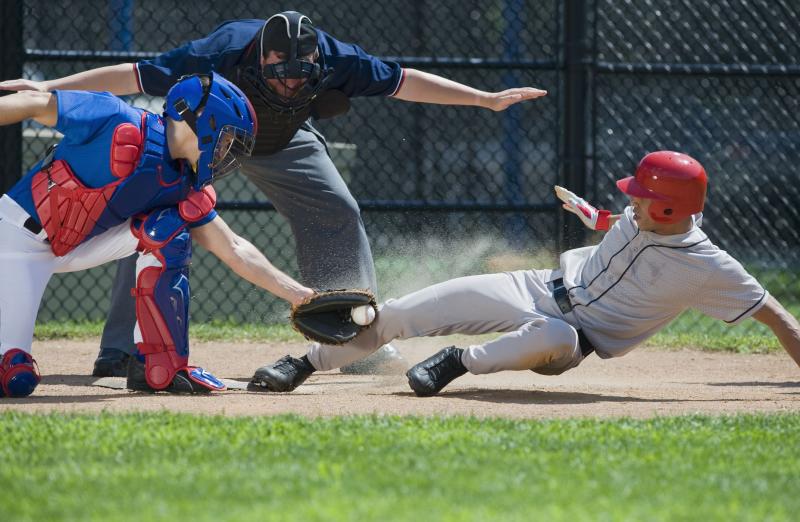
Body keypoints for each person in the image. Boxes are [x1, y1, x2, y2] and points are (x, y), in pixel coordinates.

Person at [0, 11, 548, 377]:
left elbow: (407, 81)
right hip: (212, 140)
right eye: (277, 73)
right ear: (258, 57)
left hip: (286, 142)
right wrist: (47, 89)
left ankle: (355, 340)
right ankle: (120, 351)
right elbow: (135, 76)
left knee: (339, 210)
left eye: (298, 76)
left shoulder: (338, 58)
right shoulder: (223, 50)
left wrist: (485, 100)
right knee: (154, 213)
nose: (289, 82)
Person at [249, 151, 800, 395]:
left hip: (572, 338)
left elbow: (775, 316)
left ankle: (454, 365)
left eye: (642, 197)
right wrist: (594, 216)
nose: (632, 202)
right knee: (400, 312)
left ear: (673, 212)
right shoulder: (647, 215)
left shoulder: (707, 266)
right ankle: (304, 364)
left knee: (555, 333)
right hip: (534, 285)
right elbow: (619, 220)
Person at [0, 72, 316, 397]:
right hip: (15, 240)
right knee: (14, 378)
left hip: (76, 244)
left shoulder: (182, 181)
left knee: (169, 229)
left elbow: (233, 247)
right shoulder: (116, 119)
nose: (225, 151)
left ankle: (158, 367)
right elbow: (33, 102)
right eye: (224, 139)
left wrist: (302, 296)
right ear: (203, 122)